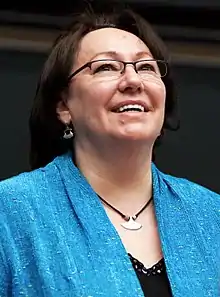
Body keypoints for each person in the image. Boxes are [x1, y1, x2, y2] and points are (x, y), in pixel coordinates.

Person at [0, 6, 219, 297]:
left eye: (146, 67)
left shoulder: (211, 214)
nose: (133, 81)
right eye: (106, 67)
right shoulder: (11, 211)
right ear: (64, 106)